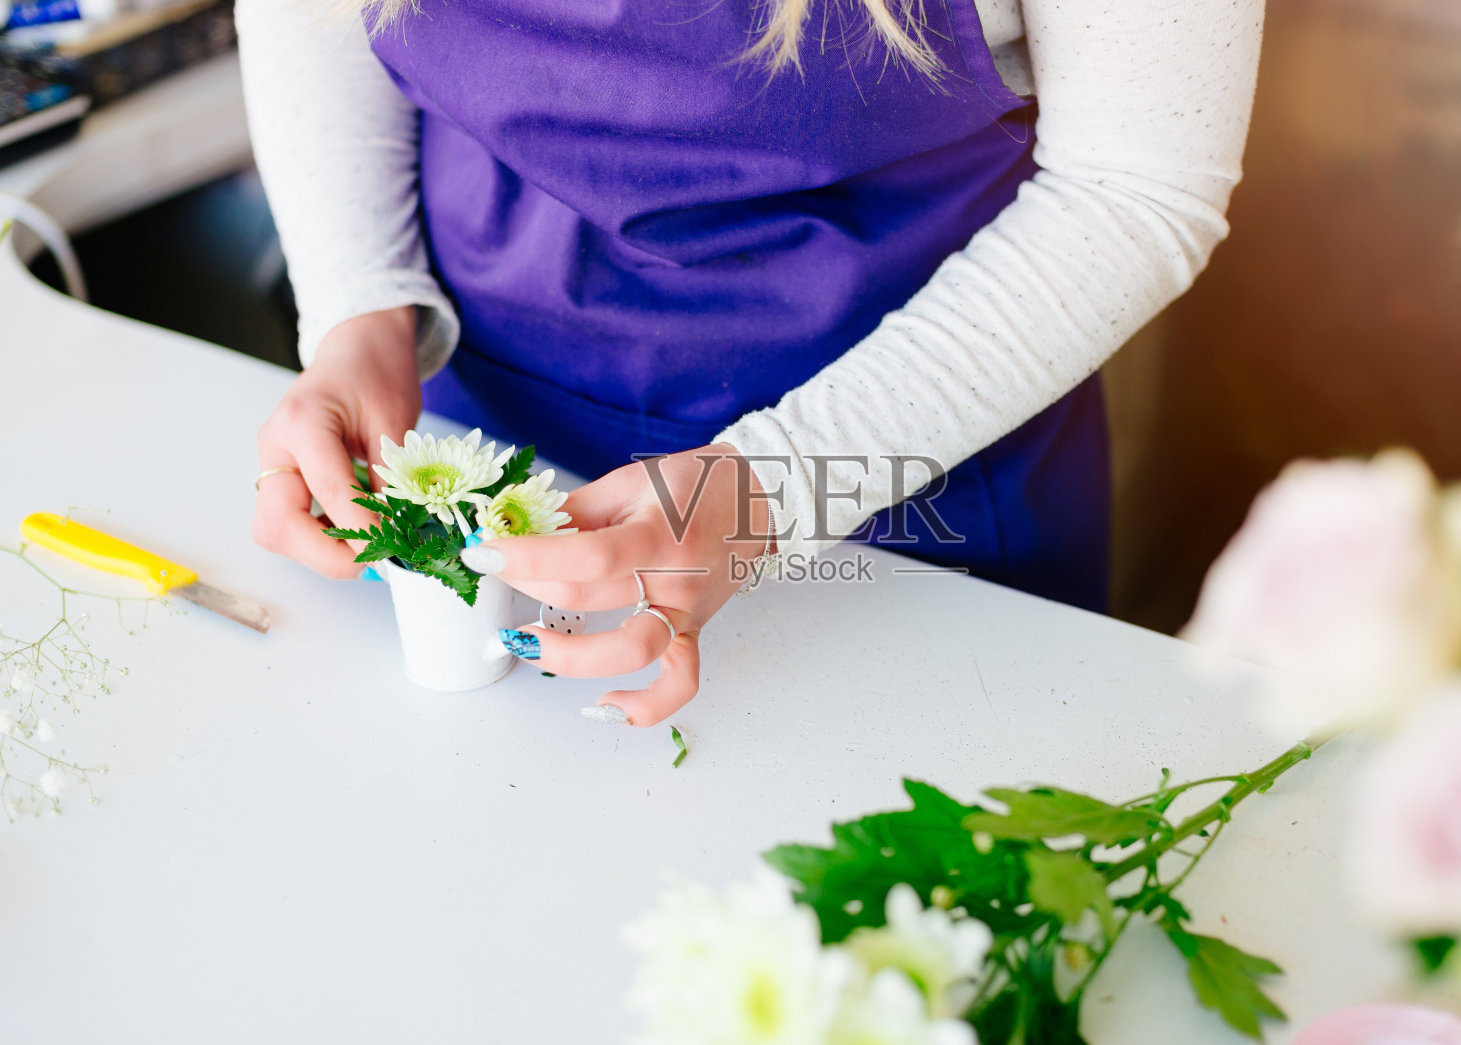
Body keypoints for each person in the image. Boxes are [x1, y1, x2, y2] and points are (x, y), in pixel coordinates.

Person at [236, 0, 1262, 726]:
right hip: (489, 418)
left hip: (908, 482)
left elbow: (1134, 187)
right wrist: (360, 309)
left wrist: (772, 486)